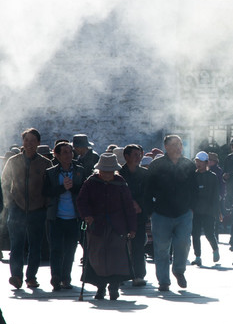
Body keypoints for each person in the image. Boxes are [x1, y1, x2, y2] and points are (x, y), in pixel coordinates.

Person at [76, 153, 137, 300]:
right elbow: (81, 201)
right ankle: (101, 288)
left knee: (116, 258)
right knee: (98, 258)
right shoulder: (91, 182)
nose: (108, 175)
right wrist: (87, 215)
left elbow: (129, 206)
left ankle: (114, 287)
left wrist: (132, 228)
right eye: (105, 171)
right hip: (97, 226)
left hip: (117, 227)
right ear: (99, 170)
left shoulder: (120, 182)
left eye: (110, 172)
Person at [2, 128, 53, 289]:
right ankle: (16, 276)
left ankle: (31, 277)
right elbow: (5, 182)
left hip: (38, 209)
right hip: (17, 208)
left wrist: (45, 204)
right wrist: (9, 203)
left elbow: (50, 187)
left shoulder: (45, 163)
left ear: (38, 143)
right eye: (26, 140)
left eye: (32, 141)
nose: (29, 144)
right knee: (16, 245)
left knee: (35, 245)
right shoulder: (13, 161)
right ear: (22, 142)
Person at [144, 135, 195, 291]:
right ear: (166, 147)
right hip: (161, 213)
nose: (178, 147)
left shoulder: (189, 165)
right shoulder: (156, 165)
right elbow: (147, 190)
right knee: (161, 248)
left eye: (180, 144)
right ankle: (164, 281)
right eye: (174, 145)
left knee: (183, 243)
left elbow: (194, 188)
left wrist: (192, 207)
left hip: (183, 212)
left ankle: (179, 271)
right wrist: (150, 212)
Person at [42, 142, 86, 291]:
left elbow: (84, 192)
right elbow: (46, 192)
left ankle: (66, 278)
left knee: (70, 249)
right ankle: (56, 276)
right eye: (65, 152)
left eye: (70, 152)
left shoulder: (80, 170)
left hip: (74, 217)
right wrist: (62, 188)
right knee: (55, 249)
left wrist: (72, 187)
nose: (68, 155)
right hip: (56, 217)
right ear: (57, 155)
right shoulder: (51, 172)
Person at [119, 144, 149, 287]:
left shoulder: (144, 174)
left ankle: (138, 275)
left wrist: (140, 205)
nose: (139, 157)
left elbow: (148, 193)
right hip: (122, 215)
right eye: (135, 155)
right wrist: (131, 203)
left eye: (140, 154)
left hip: (139, 214)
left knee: (138, 246)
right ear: (127, 156)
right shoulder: (119, 174)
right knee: (120, 245)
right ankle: (120, 274)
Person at [191, 151, 220, 266]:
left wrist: (216, 211)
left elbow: (215, 195)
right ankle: (197, 256)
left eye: (201, 162)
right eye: (197, 161)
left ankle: (215, 249)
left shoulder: (212, 177)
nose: (198, 164)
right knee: (195, 233)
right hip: (196, 210)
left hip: (209, 210)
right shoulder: (193, 176)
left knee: (209, 233)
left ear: (206, 163)